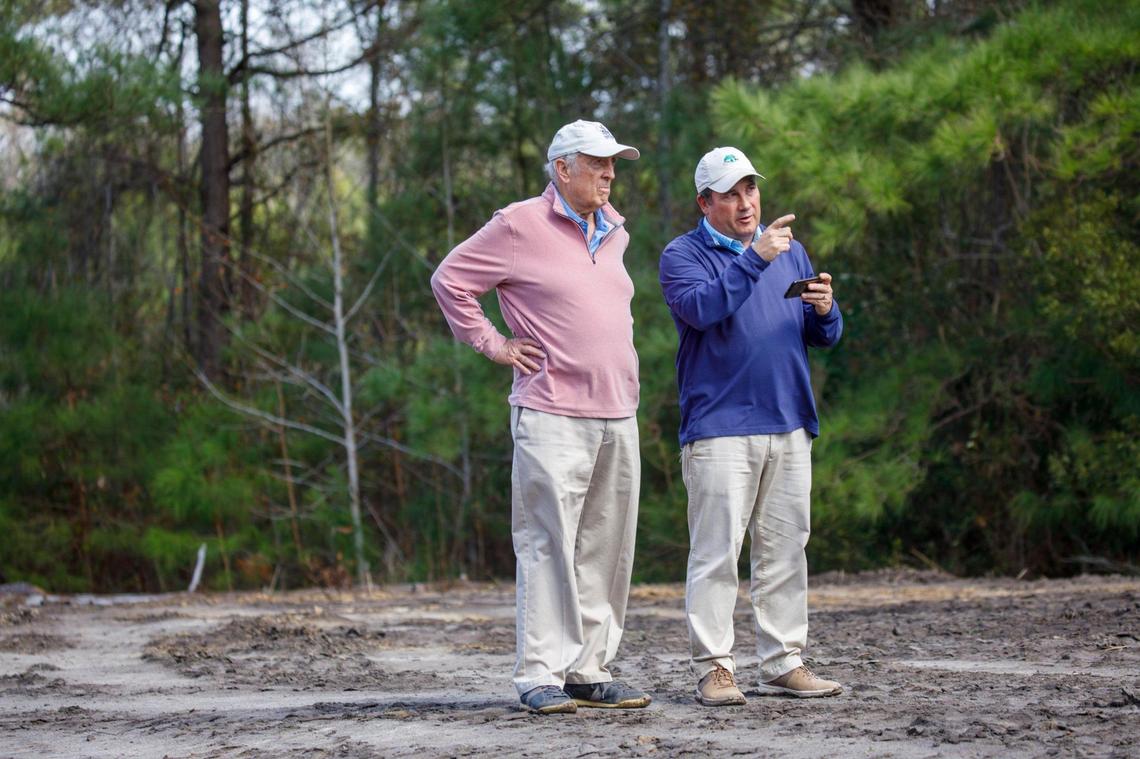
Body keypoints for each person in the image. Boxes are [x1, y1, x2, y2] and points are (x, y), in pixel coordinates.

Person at [430, 120, 650, 715]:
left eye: (614, 163)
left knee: (606, 548)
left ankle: (588, 669)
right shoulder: (518, 225)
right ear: (562, 168)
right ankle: (538, 673)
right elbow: (450, 280)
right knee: (548, 543)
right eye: (597, 162)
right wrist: (495, 345)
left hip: (617, 411)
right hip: (551, 410)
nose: (609, 172)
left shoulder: (616, 232)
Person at [658, 146, 844, 707]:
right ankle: (715, 668)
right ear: (705, 202)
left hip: (789, 420)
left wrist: (826, 308)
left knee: (786, 548)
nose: (745, 203)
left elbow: (822, 338)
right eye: (730, 194)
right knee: (717, 553)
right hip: (718, 429)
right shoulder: (682, 254)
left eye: (750, 190)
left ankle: (783, 661)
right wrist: (755, 258)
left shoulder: (790, 250)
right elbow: (702, 309)